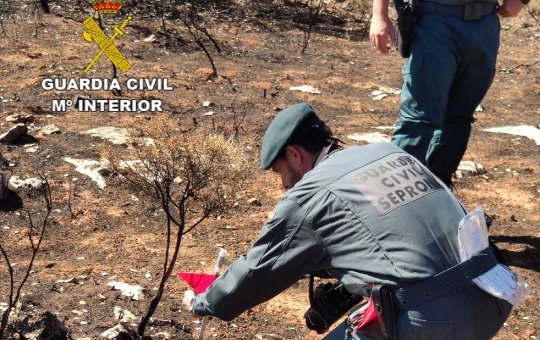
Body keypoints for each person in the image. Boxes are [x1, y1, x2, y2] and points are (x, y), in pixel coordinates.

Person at [183, 103, 512, 339]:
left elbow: (256, 272)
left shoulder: (309, 195)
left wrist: (203, 302)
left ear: (295, 155)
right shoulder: (390, 154)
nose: (284, 184)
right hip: (491, 297)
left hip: (430, 322)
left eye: (280, 172)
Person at [369, 0, 526, 186]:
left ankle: (438, 189)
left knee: (459, 117)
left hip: (484, 25)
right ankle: (397, 193)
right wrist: (380, 14)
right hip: (435, 21)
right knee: (418, 118)